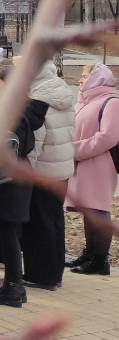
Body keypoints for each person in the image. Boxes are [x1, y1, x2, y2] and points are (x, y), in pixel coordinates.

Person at [0, 59, 46, 307]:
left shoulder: (13, 112)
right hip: (14, 177)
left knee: (8, 234)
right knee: (7, 233)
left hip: (11, 180)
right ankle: (14, 286)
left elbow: (11, 147)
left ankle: (13, 287)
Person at [21, 61, 76, 290]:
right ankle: (55, 272)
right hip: (61, 169)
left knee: (38, 223)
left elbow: (35, 143)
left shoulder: (39, 101)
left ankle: (41, 275)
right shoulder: (62, 94)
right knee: (54, 220)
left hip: (42, 171)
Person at [65, 63, 119, 276]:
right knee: (89, 208)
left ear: (98, 78)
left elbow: (108, 136)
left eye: (85, 76)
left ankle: (100, 260)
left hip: (100, 164)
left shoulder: (111, 102)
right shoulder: (84, 102)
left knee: (99, 209)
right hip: (83, 163)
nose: (80, 80)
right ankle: (89, 254)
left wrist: (76, 150)